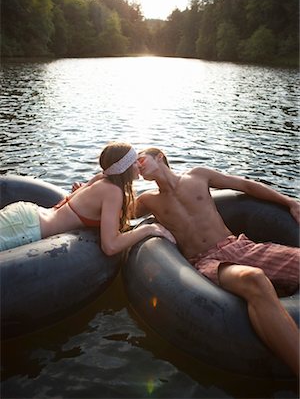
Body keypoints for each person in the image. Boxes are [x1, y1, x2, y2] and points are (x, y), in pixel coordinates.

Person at [134, 147, 300, 376]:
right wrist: (86, 191)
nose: (137, 165)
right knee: (254, 278)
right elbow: (115, 210)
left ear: (160, 157)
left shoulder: (198, 176)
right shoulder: (147, 201)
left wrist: (289, 201)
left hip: (239, 247)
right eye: (134, 163)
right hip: (205, 260)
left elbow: (246, 185)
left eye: (141, 159)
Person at [0, 142, 175, 253]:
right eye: (135, 161)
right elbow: (110, 246)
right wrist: (149, 229)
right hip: (26, 227)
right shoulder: (113, 192)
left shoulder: (102, 179)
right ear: (125, 167)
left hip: (26, 216)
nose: (139, 165)